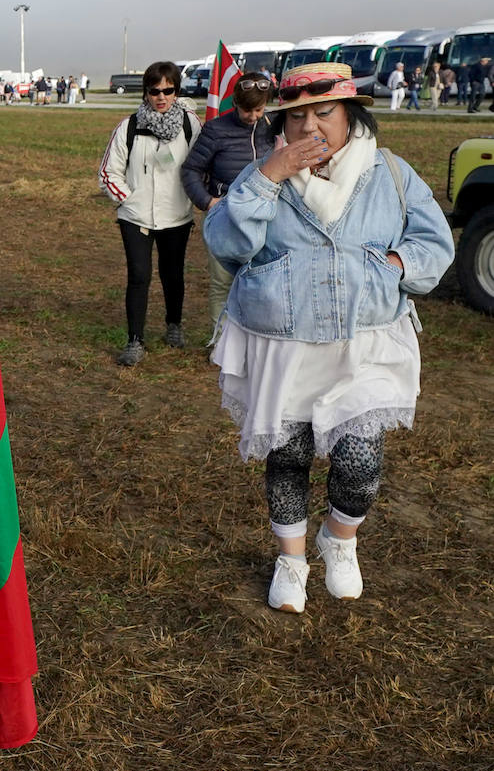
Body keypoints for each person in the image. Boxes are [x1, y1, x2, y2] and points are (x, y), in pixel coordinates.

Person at [203, 63, 454, 614]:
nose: (309, 127)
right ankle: (291, 561)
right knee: (288, 456)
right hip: (282, 340)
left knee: (360, 461)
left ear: (350, 115)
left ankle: (340, 540)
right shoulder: (259, 172)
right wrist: (267, 178)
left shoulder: (389, 171)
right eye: (295, 116)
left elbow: (434, 242)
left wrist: (395, 263)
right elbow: (224, 245)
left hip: (365, 339)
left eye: (324, 112)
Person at [97, 60, 202, 365]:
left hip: (176, 216)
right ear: (145, 92)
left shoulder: (190, 125)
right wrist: (127, 198)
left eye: (168, 90)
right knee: (139, 276)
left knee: (172, 274)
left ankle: (174, 325)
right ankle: (134, 340)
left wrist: (195, 197)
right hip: (136, 217)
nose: (161, 96)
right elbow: (109, 172)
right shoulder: (128, 127)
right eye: (154, 90)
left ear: (176, 91)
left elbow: (201, 163)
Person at [179, 71, 274, 328]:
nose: (253, 116)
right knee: (223, 282)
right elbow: (190, 170)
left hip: (268, 217)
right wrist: (208, 203)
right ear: (235, 104)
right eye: (247, 110)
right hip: (227, 218)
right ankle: (220, 343)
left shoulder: (275, 127)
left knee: (263, 280)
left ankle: (257, 337)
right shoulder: (216, 129)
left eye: (258, 109)